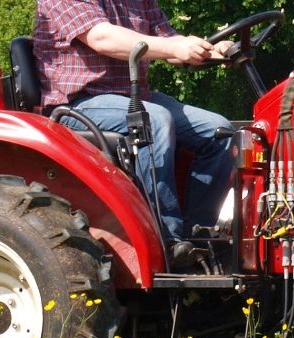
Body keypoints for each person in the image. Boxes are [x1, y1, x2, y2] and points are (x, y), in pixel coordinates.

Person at [34, 0, 235, 266]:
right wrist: (175, 46)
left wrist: (210, 50)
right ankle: (168, 241)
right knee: (154, 119)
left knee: (219, 130)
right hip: (78, 103)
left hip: (134, 96)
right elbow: (101, 37)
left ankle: (199, 237)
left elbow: (170, 45)